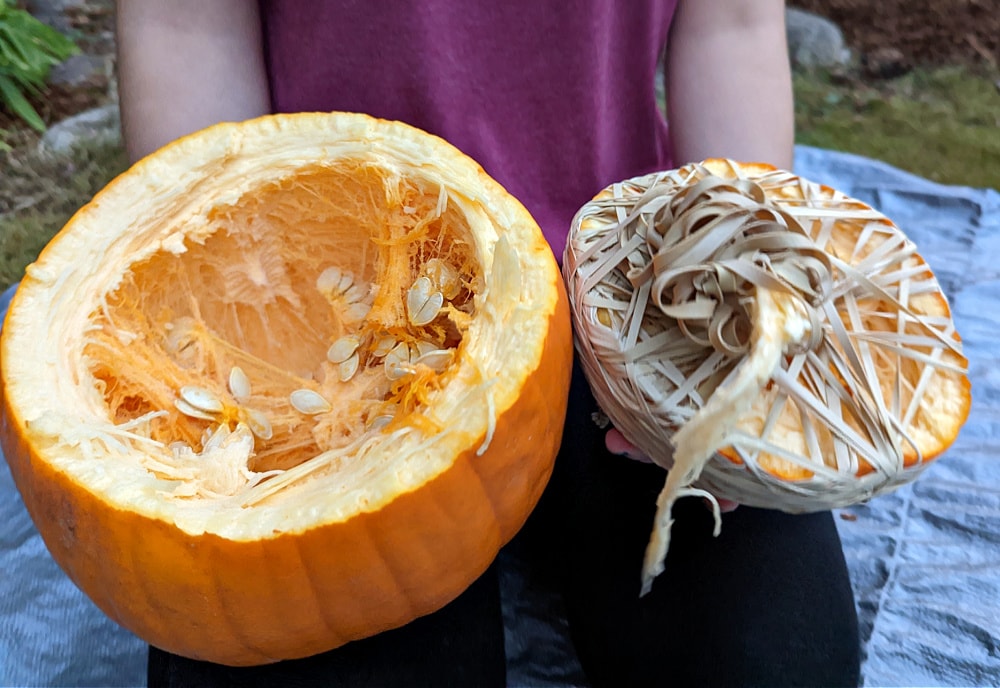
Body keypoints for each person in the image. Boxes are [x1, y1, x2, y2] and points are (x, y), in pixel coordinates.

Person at [116, 1, 861, 685]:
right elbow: (186, 25)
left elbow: (731, 24)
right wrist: (226, 299)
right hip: (324, 320)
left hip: (631, 297)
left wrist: (743, 301)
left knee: (777, 669)